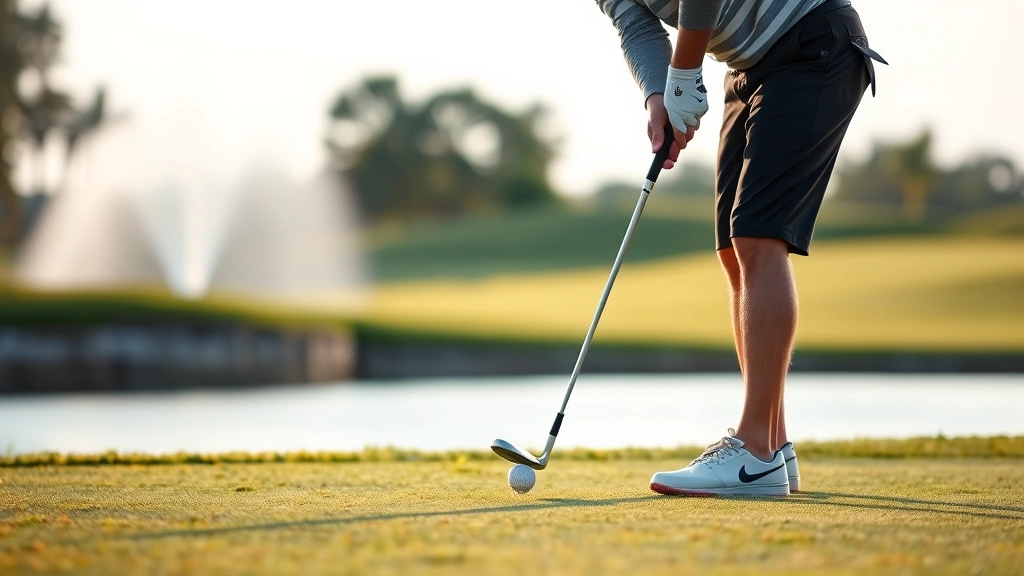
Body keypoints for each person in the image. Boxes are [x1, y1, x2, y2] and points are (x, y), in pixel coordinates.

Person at [595, 0, 886, 496]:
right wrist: (658, 95)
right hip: (747, 67)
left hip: (811, 41)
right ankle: (774, 442)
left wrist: (683, 76)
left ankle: (755, 452)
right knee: (734, 250)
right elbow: (635, 24)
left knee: (757, 237)